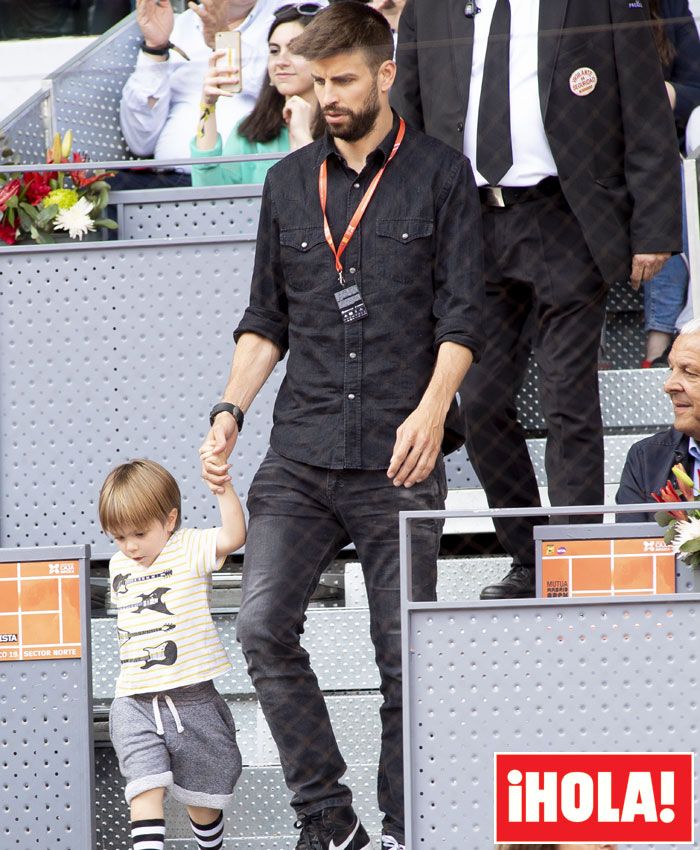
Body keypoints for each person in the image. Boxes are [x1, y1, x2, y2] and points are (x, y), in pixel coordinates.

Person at [199, 4, 484, 848]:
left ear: (386, 74)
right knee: (259, 628)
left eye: (344, 79)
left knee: (404, 661)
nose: (328, 96)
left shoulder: (442, 173)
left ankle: (404, 830)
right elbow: (265, 318)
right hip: (300, 450)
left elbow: (465, 315)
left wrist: (433, 412)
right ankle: (329, 821)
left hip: (401, 453)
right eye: (318, 81)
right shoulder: (289, 183)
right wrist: (229, 408)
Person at [392, 0, 683, 599]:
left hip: (566, 218)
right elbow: (408, 117)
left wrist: (654, 228)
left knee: (566, 396)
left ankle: (574, 558)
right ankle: (529, 557)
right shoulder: (431, 9)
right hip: (469, 223)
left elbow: (646, 110)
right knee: (479, 400)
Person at [98, 458, 246, 850]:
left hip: (192, 701)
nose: (129, 546)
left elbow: (234, 535)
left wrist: (222, 490)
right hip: (134, 702)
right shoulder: (119, 564)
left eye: (139, 533)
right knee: (144, 791)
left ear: (169, 519)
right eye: (118, 537)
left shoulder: (189, 547)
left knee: (204, 804)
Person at [118, 0, 282, 189]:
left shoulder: (297, 12)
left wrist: (226, 41)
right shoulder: (179, 24)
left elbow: (288, 90)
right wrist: (155, 48)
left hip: (245, 184)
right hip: (169, 181)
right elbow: (140, 142)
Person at [191, 2, 325, 186]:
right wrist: (207, 106)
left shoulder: (348, 126)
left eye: (296, 49)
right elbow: (209, 193)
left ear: (325, 59)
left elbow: (330, 200)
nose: (281, 61)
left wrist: (302, 136)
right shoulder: (251, 131)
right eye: (274, 51)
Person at [641, 0, 700, 367]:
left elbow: (696, 87)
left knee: (672, 186)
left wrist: (664, 93)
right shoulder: (582, 11)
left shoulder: (669, 5)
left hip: (658, 151)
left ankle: (658, 344)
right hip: (594, 160)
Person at [617, 318, 700, 522]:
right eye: (671, 370)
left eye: (688, 372)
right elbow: (631, 550)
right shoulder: (646, 458)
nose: (669, 385)